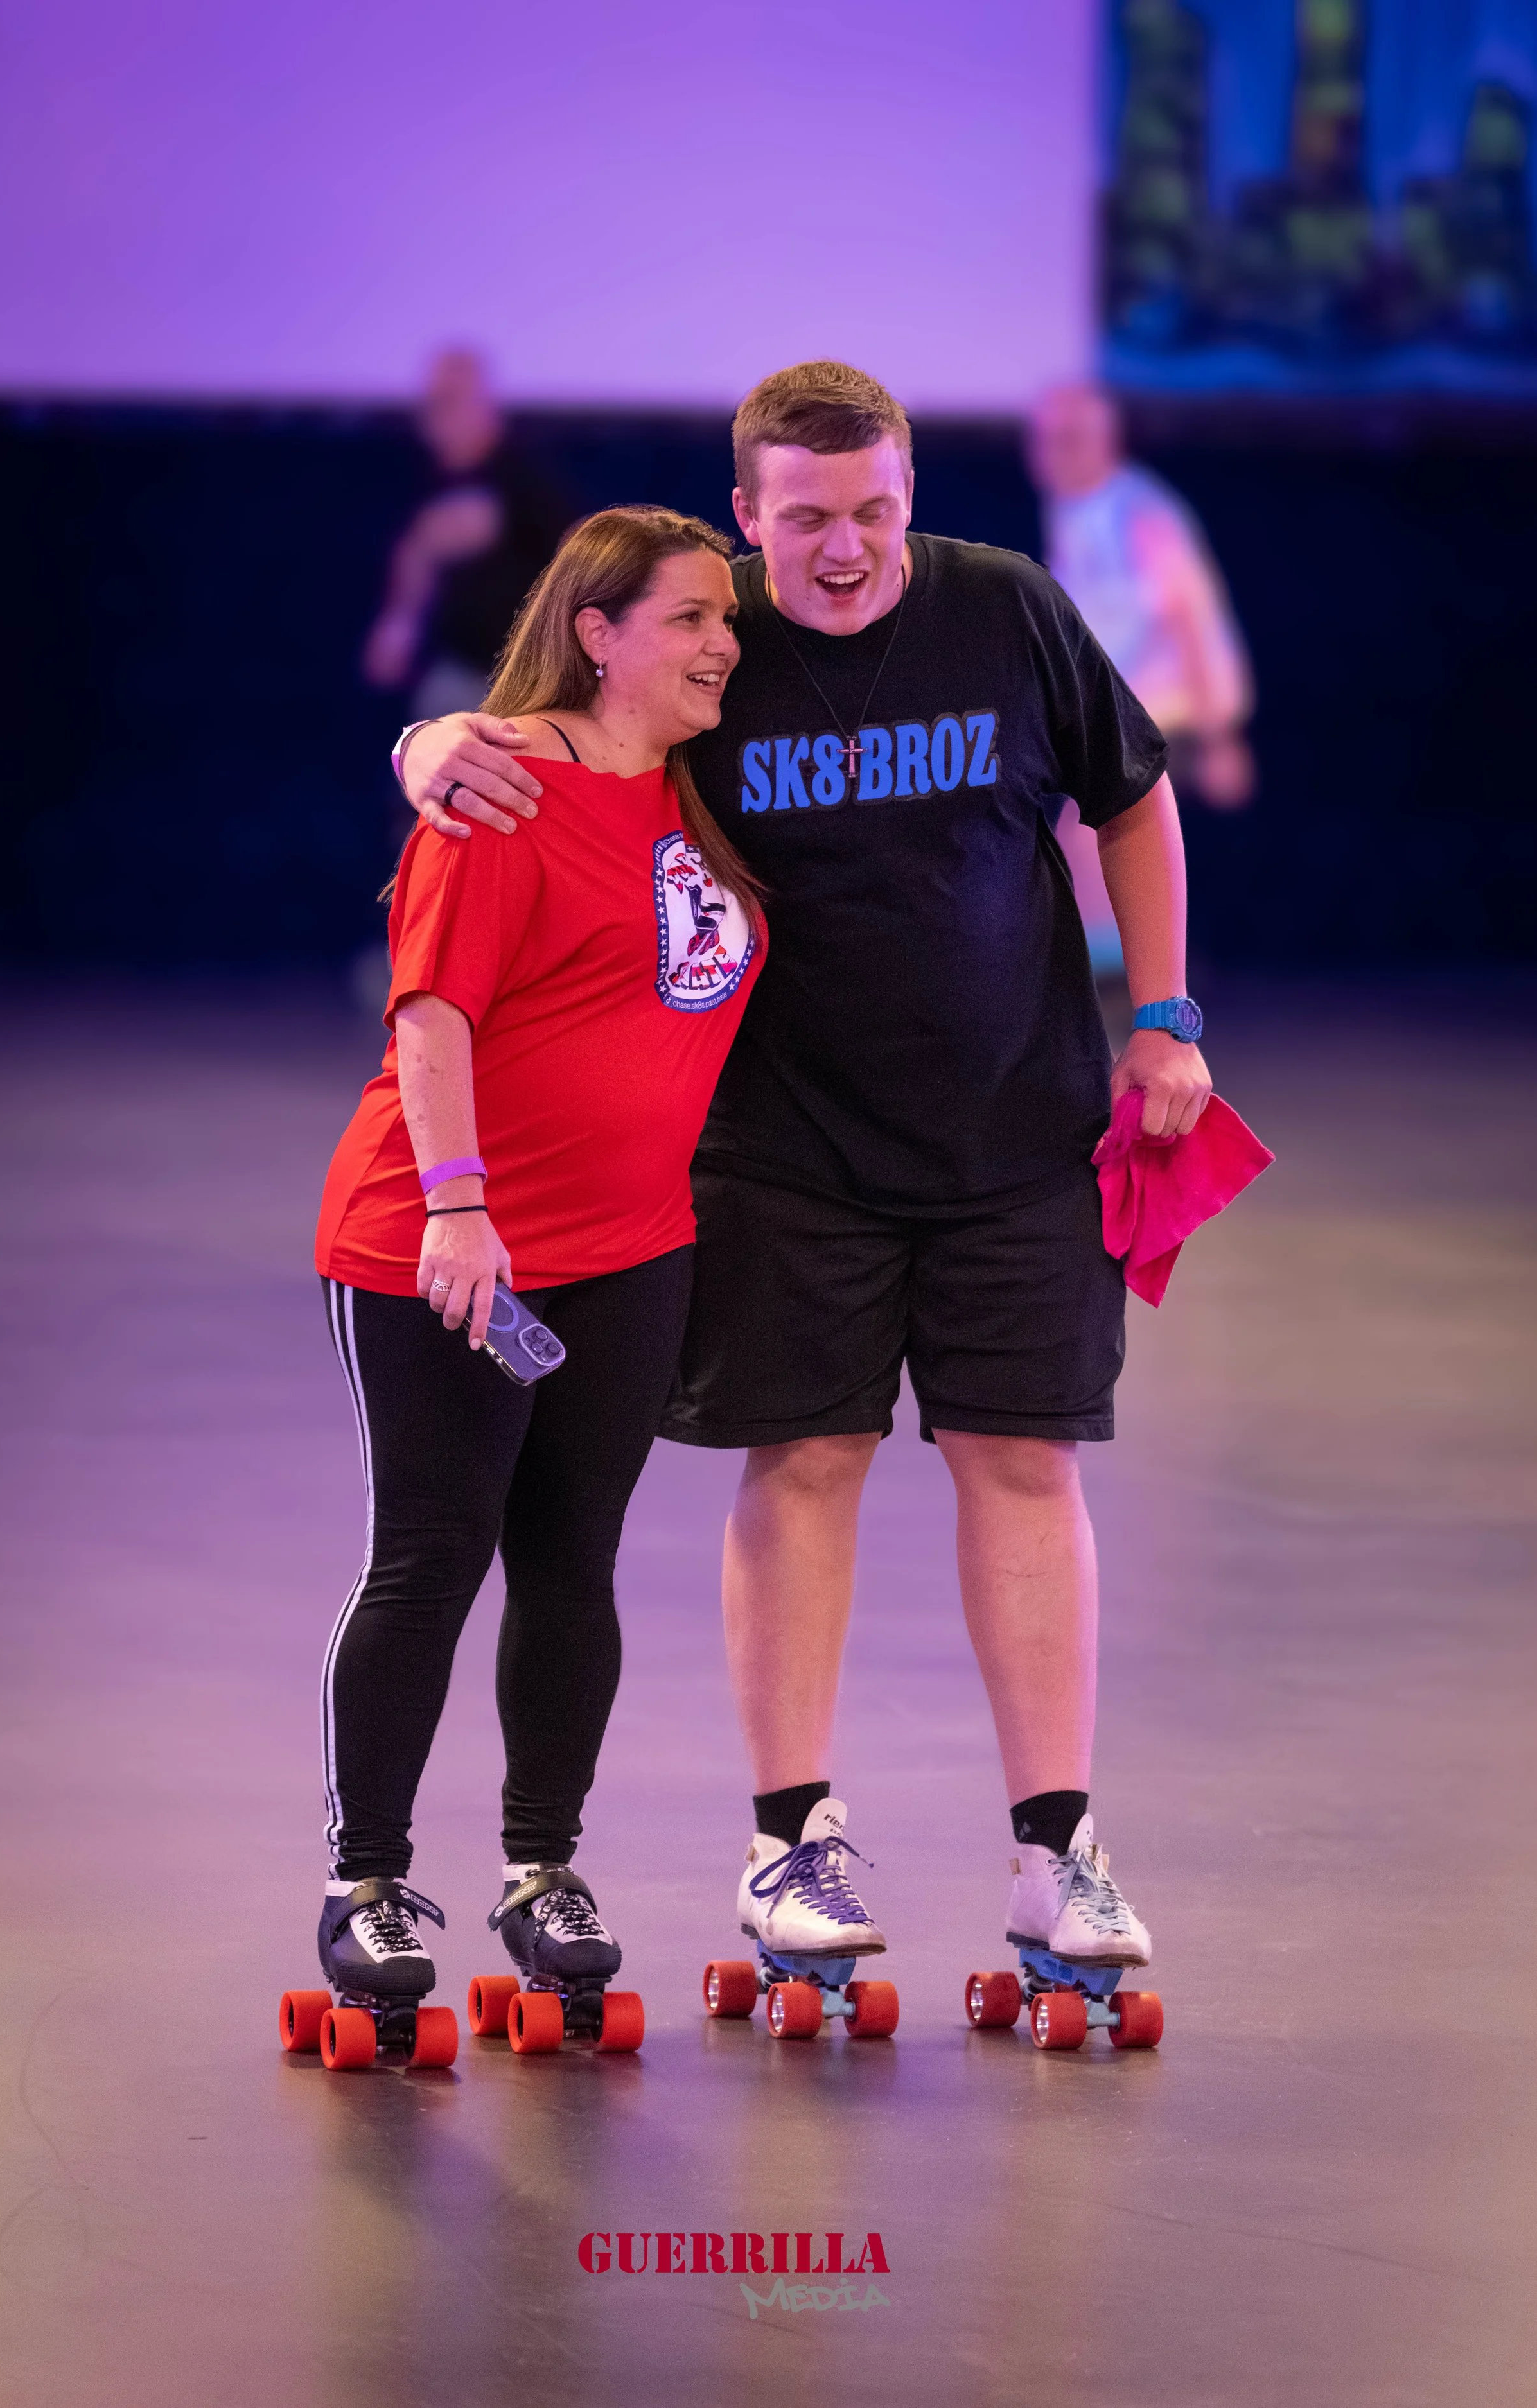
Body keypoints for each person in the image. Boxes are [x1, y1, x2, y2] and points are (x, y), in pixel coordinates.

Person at [392, 361, 1213, 1994]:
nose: (844, 548)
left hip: (1018, 1136)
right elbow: (555, 726)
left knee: (1023, 1462)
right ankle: (789, 1845)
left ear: (910, 496)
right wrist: (423, 743)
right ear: (748, 518)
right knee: (807, 1463)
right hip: (783, 1151)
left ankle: (1055, 1848)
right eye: (806, 519)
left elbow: (1132, 799)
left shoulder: (1006, 609)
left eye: (873, 512)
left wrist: (1166, 1018)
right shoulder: (716, 646)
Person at [313, 506, 761, 2012]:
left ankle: (540, 1868)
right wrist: (458, 1207)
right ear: (597, 633)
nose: (722, 643)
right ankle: (366, 1883)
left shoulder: (703, 787)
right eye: (690, 618)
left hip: (635, 1245)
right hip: (447, 1241)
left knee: (573, 1564)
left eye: (725, 618)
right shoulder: (500, 792)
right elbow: (429, 1013)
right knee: (433, 1554)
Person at [1026, 381, 1255, 977]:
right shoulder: (1074, 511)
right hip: (1118, 712)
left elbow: (1191, 619)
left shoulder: (1140, 515)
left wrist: (1220, 737)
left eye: (1071, 440)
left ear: (1107, 442)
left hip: (1164, 713)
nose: (1053, 455)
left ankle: (1117, 978)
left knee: (1092, 833)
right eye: (1047, 440)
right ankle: (1104, 974)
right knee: (1082, 844)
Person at [363, 347, 574, 720]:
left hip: (517, 679)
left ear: (483, 406)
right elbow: (421, 547)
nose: (437, 422)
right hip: (461, 669)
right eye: (432, 407)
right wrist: (399, 626)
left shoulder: (521, 476)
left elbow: (441, 533)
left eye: (450, 404)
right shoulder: (428, 480)